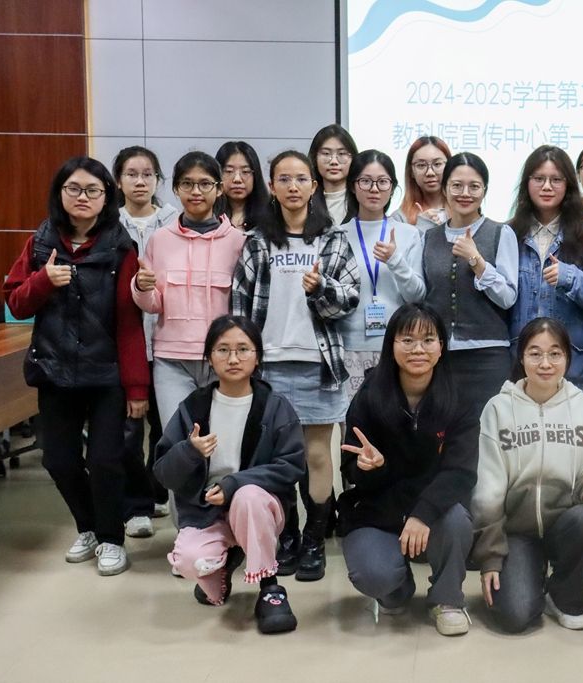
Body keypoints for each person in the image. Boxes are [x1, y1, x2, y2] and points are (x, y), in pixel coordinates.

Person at [4, 156, 149, 576]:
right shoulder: (41, 242)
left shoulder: (121, 247)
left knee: (106, 460)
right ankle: (88, 527)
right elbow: (16, 302)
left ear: (107, 197)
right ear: (60, 193)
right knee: (59, 460)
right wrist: (43, 281)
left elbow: (129, 322)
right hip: (54, 371)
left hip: (106, 375)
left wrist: (136, 388)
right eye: (74, 189)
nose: (82, 197)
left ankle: (111, 538)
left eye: (92, 190)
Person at [232, 150, 360, 582]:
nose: (292, 186)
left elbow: (348, 300)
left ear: (313, 186)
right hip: (269, 364)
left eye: (301, 179)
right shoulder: (257, 241)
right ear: (272, 186)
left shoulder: (333, 239)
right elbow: (240, 305)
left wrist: (321, 287)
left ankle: (314, 540)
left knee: (317, 454)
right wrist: (244, 361)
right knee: (278, 457)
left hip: (318, 362)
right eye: (283, 179)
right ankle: (285, 538)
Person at [154, 315, 304, 634]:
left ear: (257, 356)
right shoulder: (193, 407)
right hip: (206, 512)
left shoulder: (275, 407)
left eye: (243, 349)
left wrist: (234, 484)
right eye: (223, 350)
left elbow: (291, 465)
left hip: (260, 509)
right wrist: (189, 451)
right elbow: (163, 473)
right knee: (188, 561)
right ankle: (223, 565)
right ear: (209, 357)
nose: (233, 358)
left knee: (247, 496)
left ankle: (269, 586)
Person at [338, 303, 478, 637]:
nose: (418, 349)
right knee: (374, 575)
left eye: (428, 340)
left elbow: (460, 472)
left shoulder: (459, 398)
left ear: (441, 346)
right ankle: (397, 589)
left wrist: (422, 514)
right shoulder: (369, 396)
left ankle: (447, 599)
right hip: (378, 508)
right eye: (407, 340)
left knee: (457, 520)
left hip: (434, 509)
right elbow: (351, 469)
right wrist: (370, 468)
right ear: (392, 345)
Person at [473, 318, 583, 632]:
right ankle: (529, 571)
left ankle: (564, 596)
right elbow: (487, 490)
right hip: (516, 532)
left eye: (555, 354)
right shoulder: (498, 409)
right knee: (515, 616)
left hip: (566, 524)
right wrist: (490, 557)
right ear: (521, 357)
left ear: (567, 358)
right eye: (535, 353)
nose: (545, 363)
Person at [132, 151, 247, 432]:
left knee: (223, 437)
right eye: (187, 184)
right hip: (172, 360)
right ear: (176, 189)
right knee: (178, 437)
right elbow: (153, 304)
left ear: (219, 189)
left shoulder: (238, 242)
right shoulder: (160, 240)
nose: (196, 192)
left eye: (205, 184)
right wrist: (141, 287)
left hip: (224, 357)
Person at [508, 146, 583, 399]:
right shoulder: (509, 234)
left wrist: (569, 277)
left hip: (575, 365)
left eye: (556, 180)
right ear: (527, 183)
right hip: (520, 364)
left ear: (568, 186)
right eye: (539, 179)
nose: (547, 187)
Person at [113, 145, 179, 535]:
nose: (140, 181)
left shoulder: (175, 222)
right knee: (127, 430)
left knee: (165, 427)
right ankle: (135, 505)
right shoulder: (110, 224)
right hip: (124, 344)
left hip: (168, 340)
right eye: (132, 174)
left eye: (148, 174)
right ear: (118, 180)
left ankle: (157, 492)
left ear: (158, 180)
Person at [422, 152, 518, 419]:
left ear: (484, 190)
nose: (465, 193)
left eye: (474, 186)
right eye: (457, 185)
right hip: (439, 356)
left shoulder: (500, 233)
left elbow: (508, 297)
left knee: (488, 431)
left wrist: (477, 261)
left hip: (487, 355)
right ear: (444, 188)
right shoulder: (429, 237)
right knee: (441, 430)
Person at [339, 149, 425, 397]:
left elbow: (417, 296)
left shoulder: (408, 234)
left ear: (392, 187)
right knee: (353, 417)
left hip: (397, 345)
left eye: (383, 182)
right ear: (353, 186)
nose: (374, 189)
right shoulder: (337, 235)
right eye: (365, 181)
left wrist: (395, 261)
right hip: (348, 345)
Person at [393, 135, 452, 232]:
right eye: (421, 165)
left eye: (437, 164)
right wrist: (422, 226)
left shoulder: (463, 210)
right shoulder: (399, 218)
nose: (430, 173)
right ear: (411, 171)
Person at [308, 124, 358, 226]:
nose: (334, 161)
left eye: (342, 154)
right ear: (314, 158)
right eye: (326, 154)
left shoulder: (362, 200)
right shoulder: (305, 199)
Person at [214, 141, 269, 231]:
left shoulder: (271, 217)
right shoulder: (207, 217)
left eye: (245, 171)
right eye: (229, 171)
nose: (237, 179)